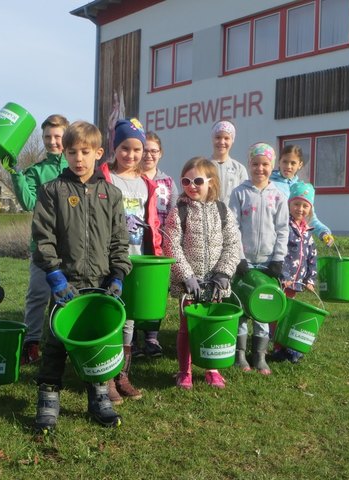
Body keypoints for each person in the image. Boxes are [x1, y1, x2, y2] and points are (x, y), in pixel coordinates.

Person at [32, 120, 131, 432]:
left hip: (102, 282)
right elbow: (43, 239)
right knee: (56, 343)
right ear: (64, 152)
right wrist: (55, 275)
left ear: (98, 153)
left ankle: (98, 395)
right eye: (72, 151)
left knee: (96, 340)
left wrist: (118, 274)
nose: (78, 158)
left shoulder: (111, 194)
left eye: (85, 152)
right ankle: (48, 397)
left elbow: (119, 239)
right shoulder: (52, 191)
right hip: (67, 283)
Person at [100, 118, 162, 404]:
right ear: (115, 147)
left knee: (129, 321)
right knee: (110, 316)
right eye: (125, 148)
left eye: (137, 149)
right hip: (108, 260)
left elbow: (152, 223)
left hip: (136, 259)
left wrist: (155, 253)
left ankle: (122, 375)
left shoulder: (147, 184)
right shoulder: (105, 177)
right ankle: (105, 378)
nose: (132, 155)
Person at [164, 157, 240, 389]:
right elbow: (171, 245)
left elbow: (233, 244)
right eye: (186, 181)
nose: (191, 186)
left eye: (197, 180)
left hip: (215, 283)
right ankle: (184, 370)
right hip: (190, 285)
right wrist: (186, 275)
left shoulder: (223, 211)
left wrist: (224, 273)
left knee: (212, 325)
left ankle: (211, 367)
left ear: (211, 182)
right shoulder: (179, 212)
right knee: (187, 326)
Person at [4, 114, 69, 365]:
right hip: (42, 246)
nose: (52, 142)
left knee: (68, 296)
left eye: (57, 137)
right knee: (38, 295)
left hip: (72, 246)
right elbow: (28, 202)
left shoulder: (76, 167)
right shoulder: (38, 171)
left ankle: (64, 342)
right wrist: (17, 174)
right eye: (47, 137)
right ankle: (31, 342)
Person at [229, 142, 289, 376]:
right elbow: (232, 228)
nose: (260, 169)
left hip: (266, 264)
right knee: (243, 308)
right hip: (245, 264)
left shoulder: (278, 196)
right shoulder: (240, 192)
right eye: (255, 164)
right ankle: (240, 354)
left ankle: (260, 356)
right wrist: (238, 258)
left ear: (271, 165)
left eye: (265, 164)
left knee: (263, 308)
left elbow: (283, 229)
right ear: (249, 164)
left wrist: (278, 259)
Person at [132, 131, 179, 359]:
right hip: (135, 241)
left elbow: (173, 213)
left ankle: (151, 338)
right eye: (145, 150)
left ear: (160, 154)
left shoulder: (167, 182)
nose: (149, 155)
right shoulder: (132, 177)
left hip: (158, 243)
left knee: (154, 290)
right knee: (134, 286)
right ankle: (130, 339)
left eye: (154, 151)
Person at [271, 182, 318, 364]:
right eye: (296, 204)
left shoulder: (307, 232)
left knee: (288, 312)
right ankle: (278, 346)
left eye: (305, 206)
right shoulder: (285, 227)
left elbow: (312, 257)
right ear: (289, 205)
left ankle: (286, 345)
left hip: (297, 282)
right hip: (283, 281)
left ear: (310, 209)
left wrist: (310, 279)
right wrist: (284, 276)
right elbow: (280, 252)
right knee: (278, 312)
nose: (300, 209)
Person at [270, 145, 335, 246]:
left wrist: (323, 232)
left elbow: (310, 218)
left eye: (293, 163)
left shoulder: (302, 189)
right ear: (279, 162)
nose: (288, 166)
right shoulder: (269, 183)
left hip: (294, 243)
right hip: (273, 240)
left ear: (300, 165)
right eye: (285, 161)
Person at [210, 120, 248, 206]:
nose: (222, 142)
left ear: (232, 140)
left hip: (232, 217)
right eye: (218, 137)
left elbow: (245, 197)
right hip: (209, 217)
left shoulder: (239, 169)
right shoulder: (204, 166)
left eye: (226, 138)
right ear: (212, 138)